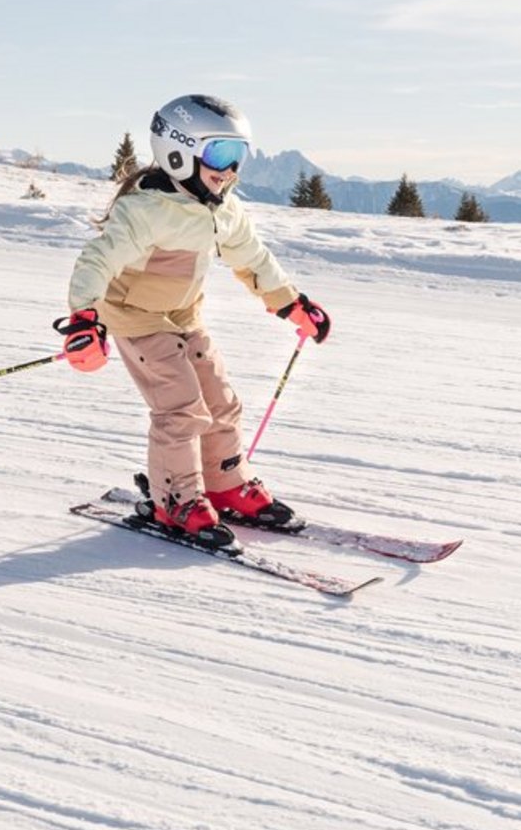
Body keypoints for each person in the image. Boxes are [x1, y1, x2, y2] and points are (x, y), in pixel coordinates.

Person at [55, 94, 330, 549]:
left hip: (183, 315)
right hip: (136, 318)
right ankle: (175, 499)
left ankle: (225, 484)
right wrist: (85, 319)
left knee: (221, 400)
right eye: (220, 154)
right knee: (181, 407)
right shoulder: (145, 209)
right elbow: (95, 262)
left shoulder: (221, 207)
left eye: (239, 157)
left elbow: (252, 258)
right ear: (179, 150)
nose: (230, 171)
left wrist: (290, 302)